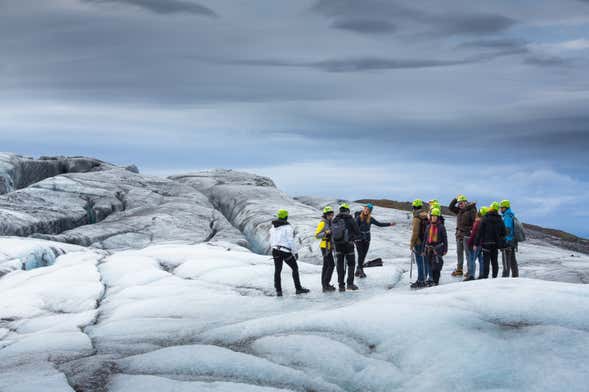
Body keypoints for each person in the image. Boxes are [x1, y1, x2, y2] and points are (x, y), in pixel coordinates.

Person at [269, 209, 310, 296]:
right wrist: (295, 252)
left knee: (277, 270)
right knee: (295, 268)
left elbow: (271, 239)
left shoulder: (273, 227)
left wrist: (274, 247)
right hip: (285, 251)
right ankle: (298, 289)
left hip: (275, 250)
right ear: (286, 217)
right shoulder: (288, 227)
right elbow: (290, 241)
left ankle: (278, 291)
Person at [354, 203, 395, 278]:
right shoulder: (358, 218)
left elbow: (379, 224)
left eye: (368, 210)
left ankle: (358, 269)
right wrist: (355, 238)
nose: (367, 211)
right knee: (361, 255)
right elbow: (355, 229)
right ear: (364, 209)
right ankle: (361, 270)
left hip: (367, 239)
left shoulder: (371, 219)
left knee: (363, 255)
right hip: (359, 239)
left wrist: (389, 224)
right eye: (366, 209)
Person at [332, 203, 361, 291]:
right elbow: (357, 232)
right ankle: (350, 284)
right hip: (348, 245)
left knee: (340, 266)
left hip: (338, 246)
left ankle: (341, 286)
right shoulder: (350, 219)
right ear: (347, 210)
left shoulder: (335, 219)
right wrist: (355, 238)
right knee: (351, 264)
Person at [474, 202, 506, 279]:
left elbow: (480, 232)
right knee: (495, 261)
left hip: (486, 243)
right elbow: (504, 233)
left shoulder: (485, 218)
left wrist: (476, 243)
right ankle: (494, 277)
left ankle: (485, 277)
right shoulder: (500, 219)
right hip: (495, 244)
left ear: (490, 208)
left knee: (486, 261)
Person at [448, 195, 477, 277]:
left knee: (468, 254)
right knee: (459, 253)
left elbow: (474, 223)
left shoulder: (471, 210)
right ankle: (459, 269)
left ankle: (469, 271)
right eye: (459, 203)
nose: (460, 205)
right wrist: (455, 199)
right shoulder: (459, 211)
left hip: (467, 235)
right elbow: (450, 208)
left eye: (461, 203)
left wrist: (468, 230)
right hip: (459, 235)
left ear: (465, 202)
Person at [423, 208, 448, 286]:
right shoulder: (428, 226)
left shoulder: (441, 227)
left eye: (435, 216)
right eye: (432, 216)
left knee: (436, 266)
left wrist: (445, 249)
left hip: (438, 249)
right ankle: (431, 279)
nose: (433, 217)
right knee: (430, 265)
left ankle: (435, 281)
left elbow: (445, 238)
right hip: (429, 249)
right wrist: (423, 249)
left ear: (438, 217)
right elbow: (425, 238)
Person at [409, 199, 431, 289]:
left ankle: (421, 280)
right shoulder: (425, 215)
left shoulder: (417, 217)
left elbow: (415, 233)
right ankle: (424, 278)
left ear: (414, 207)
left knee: (419, 262)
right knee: (425, 261)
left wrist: (411, 244)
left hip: (419, 243)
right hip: (426, 242)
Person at [315, 206, 336, 292]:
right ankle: (326, 284)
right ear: (326, 215)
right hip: (325, 246)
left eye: (332, 214)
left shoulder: (329, 222)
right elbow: (317, 235)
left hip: (329, 246)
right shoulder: (323, 223)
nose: (331, 216)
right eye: (330, 215)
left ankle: (325, 285)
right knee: (331, 265)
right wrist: (326, 233)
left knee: (326, 265)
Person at [465, 206, 488, 281]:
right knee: (481, 259)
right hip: (482, 244)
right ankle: (481, 274)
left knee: (472, 259)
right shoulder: (485, 222)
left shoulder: (478, 222)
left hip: (476, 244)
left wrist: (470, 243)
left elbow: (474, 234)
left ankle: (471, 275)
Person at [500, 200, 519, 278]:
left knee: (506, 260)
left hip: (508, 241)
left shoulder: (507, 216)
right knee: (512, 260)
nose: (500, 209)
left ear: (505, 207)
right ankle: (515, 275)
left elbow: (507, 229)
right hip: (512, 241)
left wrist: (504, 239)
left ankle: (505, 276)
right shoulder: (511, 215)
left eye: (502, 208)